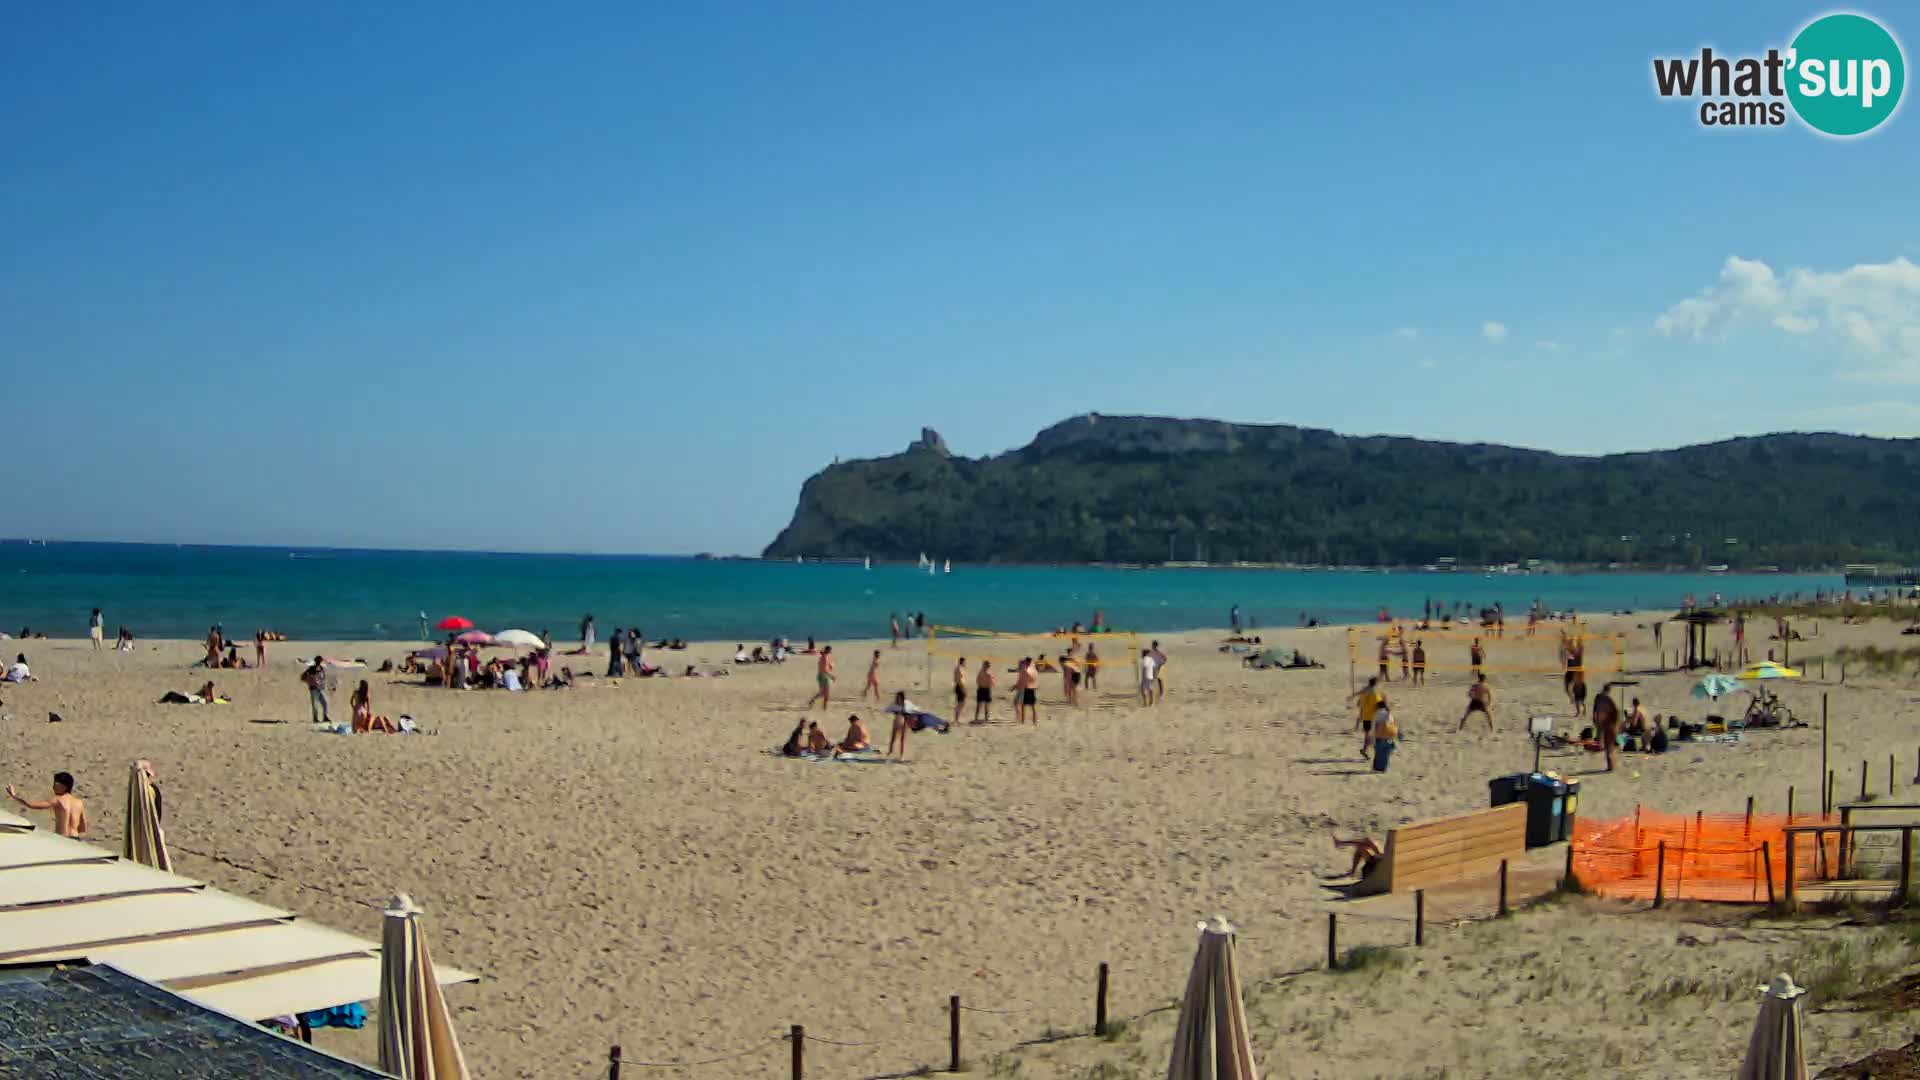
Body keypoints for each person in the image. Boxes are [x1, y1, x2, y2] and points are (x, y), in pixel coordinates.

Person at [8, 772, 87, 837]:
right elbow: (83, 828)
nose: (53, 788)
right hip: (75, 840)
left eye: (56, 786)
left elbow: (31, 805)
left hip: (62, 839)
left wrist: (14, 795)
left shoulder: (58, 799)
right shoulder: (79, 803)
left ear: (64, 787)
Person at [1348, 677, 1382, 757]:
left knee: (1367, 734)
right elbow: (1379, 705)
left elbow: (1359, 699)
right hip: (1372, 716)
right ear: (1376, 684)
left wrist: (1352, 697)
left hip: (1365, 716)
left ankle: (1365, 749)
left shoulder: (1365, 690)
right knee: (1372, 735)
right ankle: (1366, 749)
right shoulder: (1375, 693)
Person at [1592, 688, 1620, 772]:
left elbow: (1598, 719)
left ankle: (1610, 767)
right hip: (1612, 727)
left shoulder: (1601, 705)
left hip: (1609, 728)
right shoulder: (1608, 705)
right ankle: (1611, 766)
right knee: (1609, 748)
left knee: (1608, 749)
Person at [1371, 699, 1399, 772]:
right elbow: (1392, 723)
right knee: (1386, 753)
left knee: (1378, 753)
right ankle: (1383, 768)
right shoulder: (1389, 714)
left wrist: (1373, 736)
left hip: (1380, 736)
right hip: (1389, 736)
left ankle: (1377, 768)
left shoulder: (1376, 713)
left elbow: (1376, 725)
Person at [302, 657, 331, 724]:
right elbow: (304, 676)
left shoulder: (321, 668)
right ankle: (315, 718)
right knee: (315, 704)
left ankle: (325, 717)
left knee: (324, 703)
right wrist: (309, 682)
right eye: (318, 661)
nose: (319, 662)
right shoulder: (311, 668)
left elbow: (322, 678)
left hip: (320, 688)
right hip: (314, 688)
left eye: (320, 661)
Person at [807, 646, 836, 710]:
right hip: (825, 677)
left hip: (821, 676)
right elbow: (825, 669)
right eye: (830, 651)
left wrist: (831, 666)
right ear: (829, 651)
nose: (831, 652)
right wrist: (832, 676)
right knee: (826, 695)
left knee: (822, 693)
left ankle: (812, 701)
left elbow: (825, 666)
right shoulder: (825, 658)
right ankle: (824, 709)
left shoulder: (823, 657)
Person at [1015, 657, 1040, 724]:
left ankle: (1023, 721)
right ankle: (1034, 721)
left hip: (1027, 688)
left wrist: (1016, 686)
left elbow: (1024, 679)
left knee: (1024, 705)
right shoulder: (1033, 667)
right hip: (1032, 688)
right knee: (1032, 705)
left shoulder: (1026, 670)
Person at [974, 658, 996, 723]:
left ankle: (976, 718)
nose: (989, 665)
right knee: (986, 705)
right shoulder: (989, 673)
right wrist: (993, 679)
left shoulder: (980, 672)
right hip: (986, 689)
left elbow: (977, 680)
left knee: (979, 705)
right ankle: (986, 719)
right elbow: (992, 683)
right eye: (989, 664)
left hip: (980, 689)